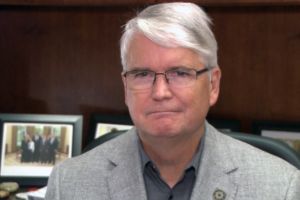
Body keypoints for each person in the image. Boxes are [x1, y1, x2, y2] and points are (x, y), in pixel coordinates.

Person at [45, 2, 300, 200]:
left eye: (180, 73)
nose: (160, 92)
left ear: (213, 85)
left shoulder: (280, 186)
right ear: (125, 87)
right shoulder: (68, 184)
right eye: (142, 74)